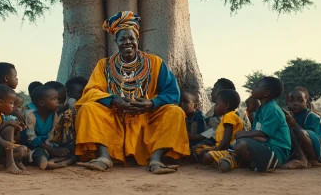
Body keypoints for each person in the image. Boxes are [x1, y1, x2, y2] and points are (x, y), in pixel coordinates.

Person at [75, 11, 189, 174]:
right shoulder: (104, 65)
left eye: (131, 38)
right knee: (88, 108)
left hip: (147, 116)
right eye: (122, 39)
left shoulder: (155, 63)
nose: (127, 42)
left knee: (175, 112)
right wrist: (114, 101)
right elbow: (91, 91)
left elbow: (172, 93)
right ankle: (104, 157)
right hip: (114, 115)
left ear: (137, 40)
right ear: (116, 41)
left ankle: (156, 160)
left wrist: (151, 103)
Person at [232, 77, 291, 173]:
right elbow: (259, 134)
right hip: (267, 144)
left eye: (257, 86)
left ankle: (262, 163)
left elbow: (263, 133)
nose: (253, 89)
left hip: (277, 151)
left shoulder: (272, 109)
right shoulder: (261, 109)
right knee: (239, 142)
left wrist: (243, 134)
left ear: (266, 93)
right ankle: (252, 162)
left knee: (240, 145)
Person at [25, 86, 73, 170]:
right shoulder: (30, 115)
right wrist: (52, 150)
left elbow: (51, 135)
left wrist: (54, 148)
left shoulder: (54, 115)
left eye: (57, 98)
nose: (58, 101)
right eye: (54, 99)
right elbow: (31, 138)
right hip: (33, 146)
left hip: (48, 145)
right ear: (41, 103)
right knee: (40, 153)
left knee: (71, 147)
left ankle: (57, 161)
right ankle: (44, 163)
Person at [283, 87, 321, 168]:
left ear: (307, 102)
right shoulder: (289, 115)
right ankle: (300, 158)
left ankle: (312, 160)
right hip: (302, 150)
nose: (295, 103)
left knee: (300, 132)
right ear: (287, 103)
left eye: (300, 100)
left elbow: (310, 136)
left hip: (320, 151)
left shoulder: (311, 116)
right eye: (291, 101)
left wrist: (295, 125)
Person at [201, 90, 244, 172]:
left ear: (226, 106)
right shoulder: (228, 116)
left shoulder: (229, 116)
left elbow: (226, 140)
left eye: (216, 103)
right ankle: (221, 161)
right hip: (222, 147)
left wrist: (216, 149)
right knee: (200, 149)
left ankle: (234, 161)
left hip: (229, 150)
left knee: (207, 156)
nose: (215, 106)